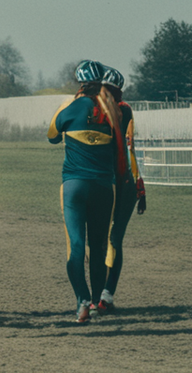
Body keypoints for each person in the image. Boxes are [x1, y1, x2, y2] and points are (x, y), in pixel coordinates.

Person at [47, 60, 125, 323]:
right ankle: (95, 302)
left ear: (79, 82)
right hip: (105, 186)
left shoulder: (70, 106)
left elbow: (52, 135)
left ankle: (82, 300)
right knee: (100, 247)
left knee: (76, 246)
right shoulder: (113, 110)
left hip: (74, 185)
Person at [98, 66, 147, 313]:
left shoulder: (96, 109)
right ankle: (106, 294)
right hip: (123, 181)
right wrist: (140, 186)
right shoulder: (125, 109)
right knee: (115, 239)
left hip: (106, 181)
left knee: (104, 239)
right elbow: (130, 148)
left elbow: (129, 148)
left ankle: (100, 294)